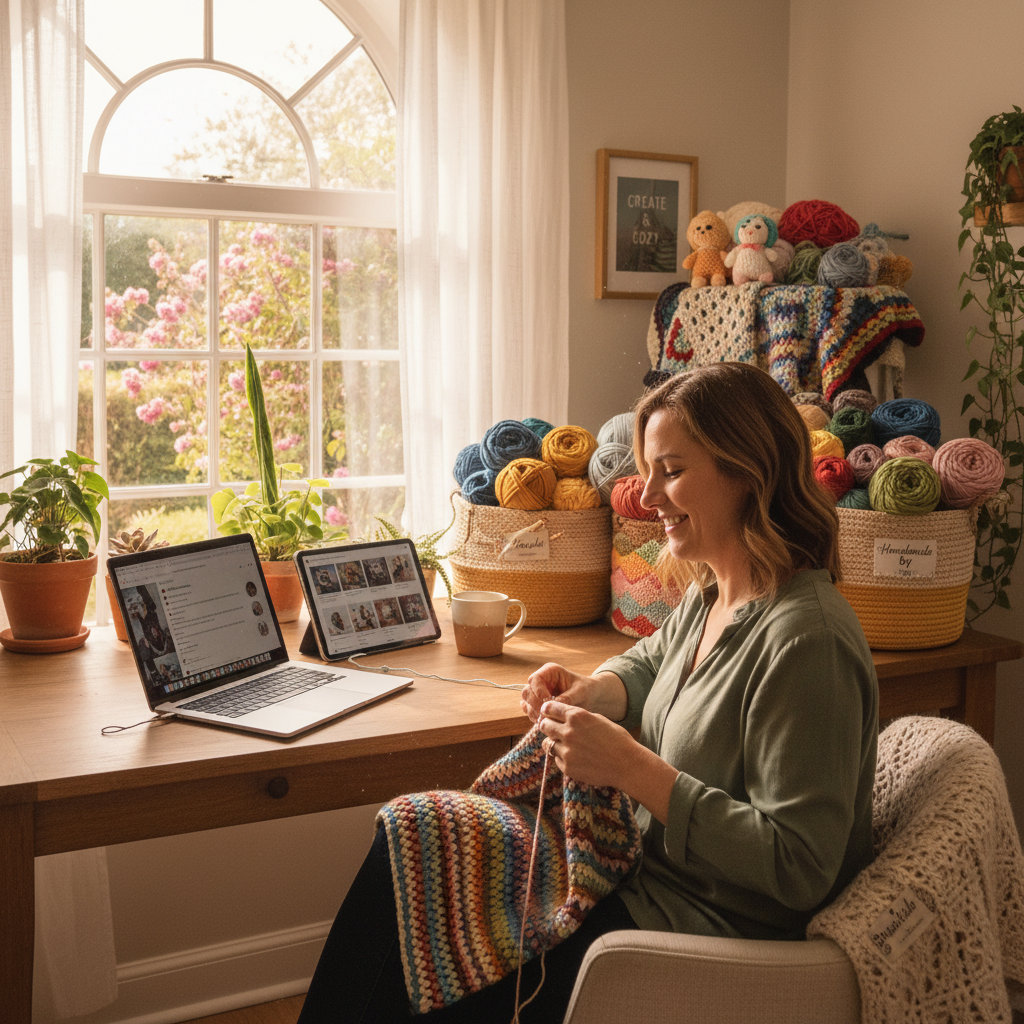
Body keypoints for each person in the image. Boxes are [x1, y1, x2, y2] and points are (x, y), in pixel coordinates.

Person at [297, 363, 878, 1023]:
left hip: (701, 932)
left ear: (749, 471)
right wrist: (595, 689)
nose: (646, 495)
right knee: (412, 835)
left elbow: (801, 865)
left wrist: (631, 769)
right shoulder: (714, 593)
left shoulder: (808, 643)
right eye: (647, 470)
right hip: (635, 873)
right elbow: (653, 663)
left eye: (672, 471)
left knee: (437, 967)